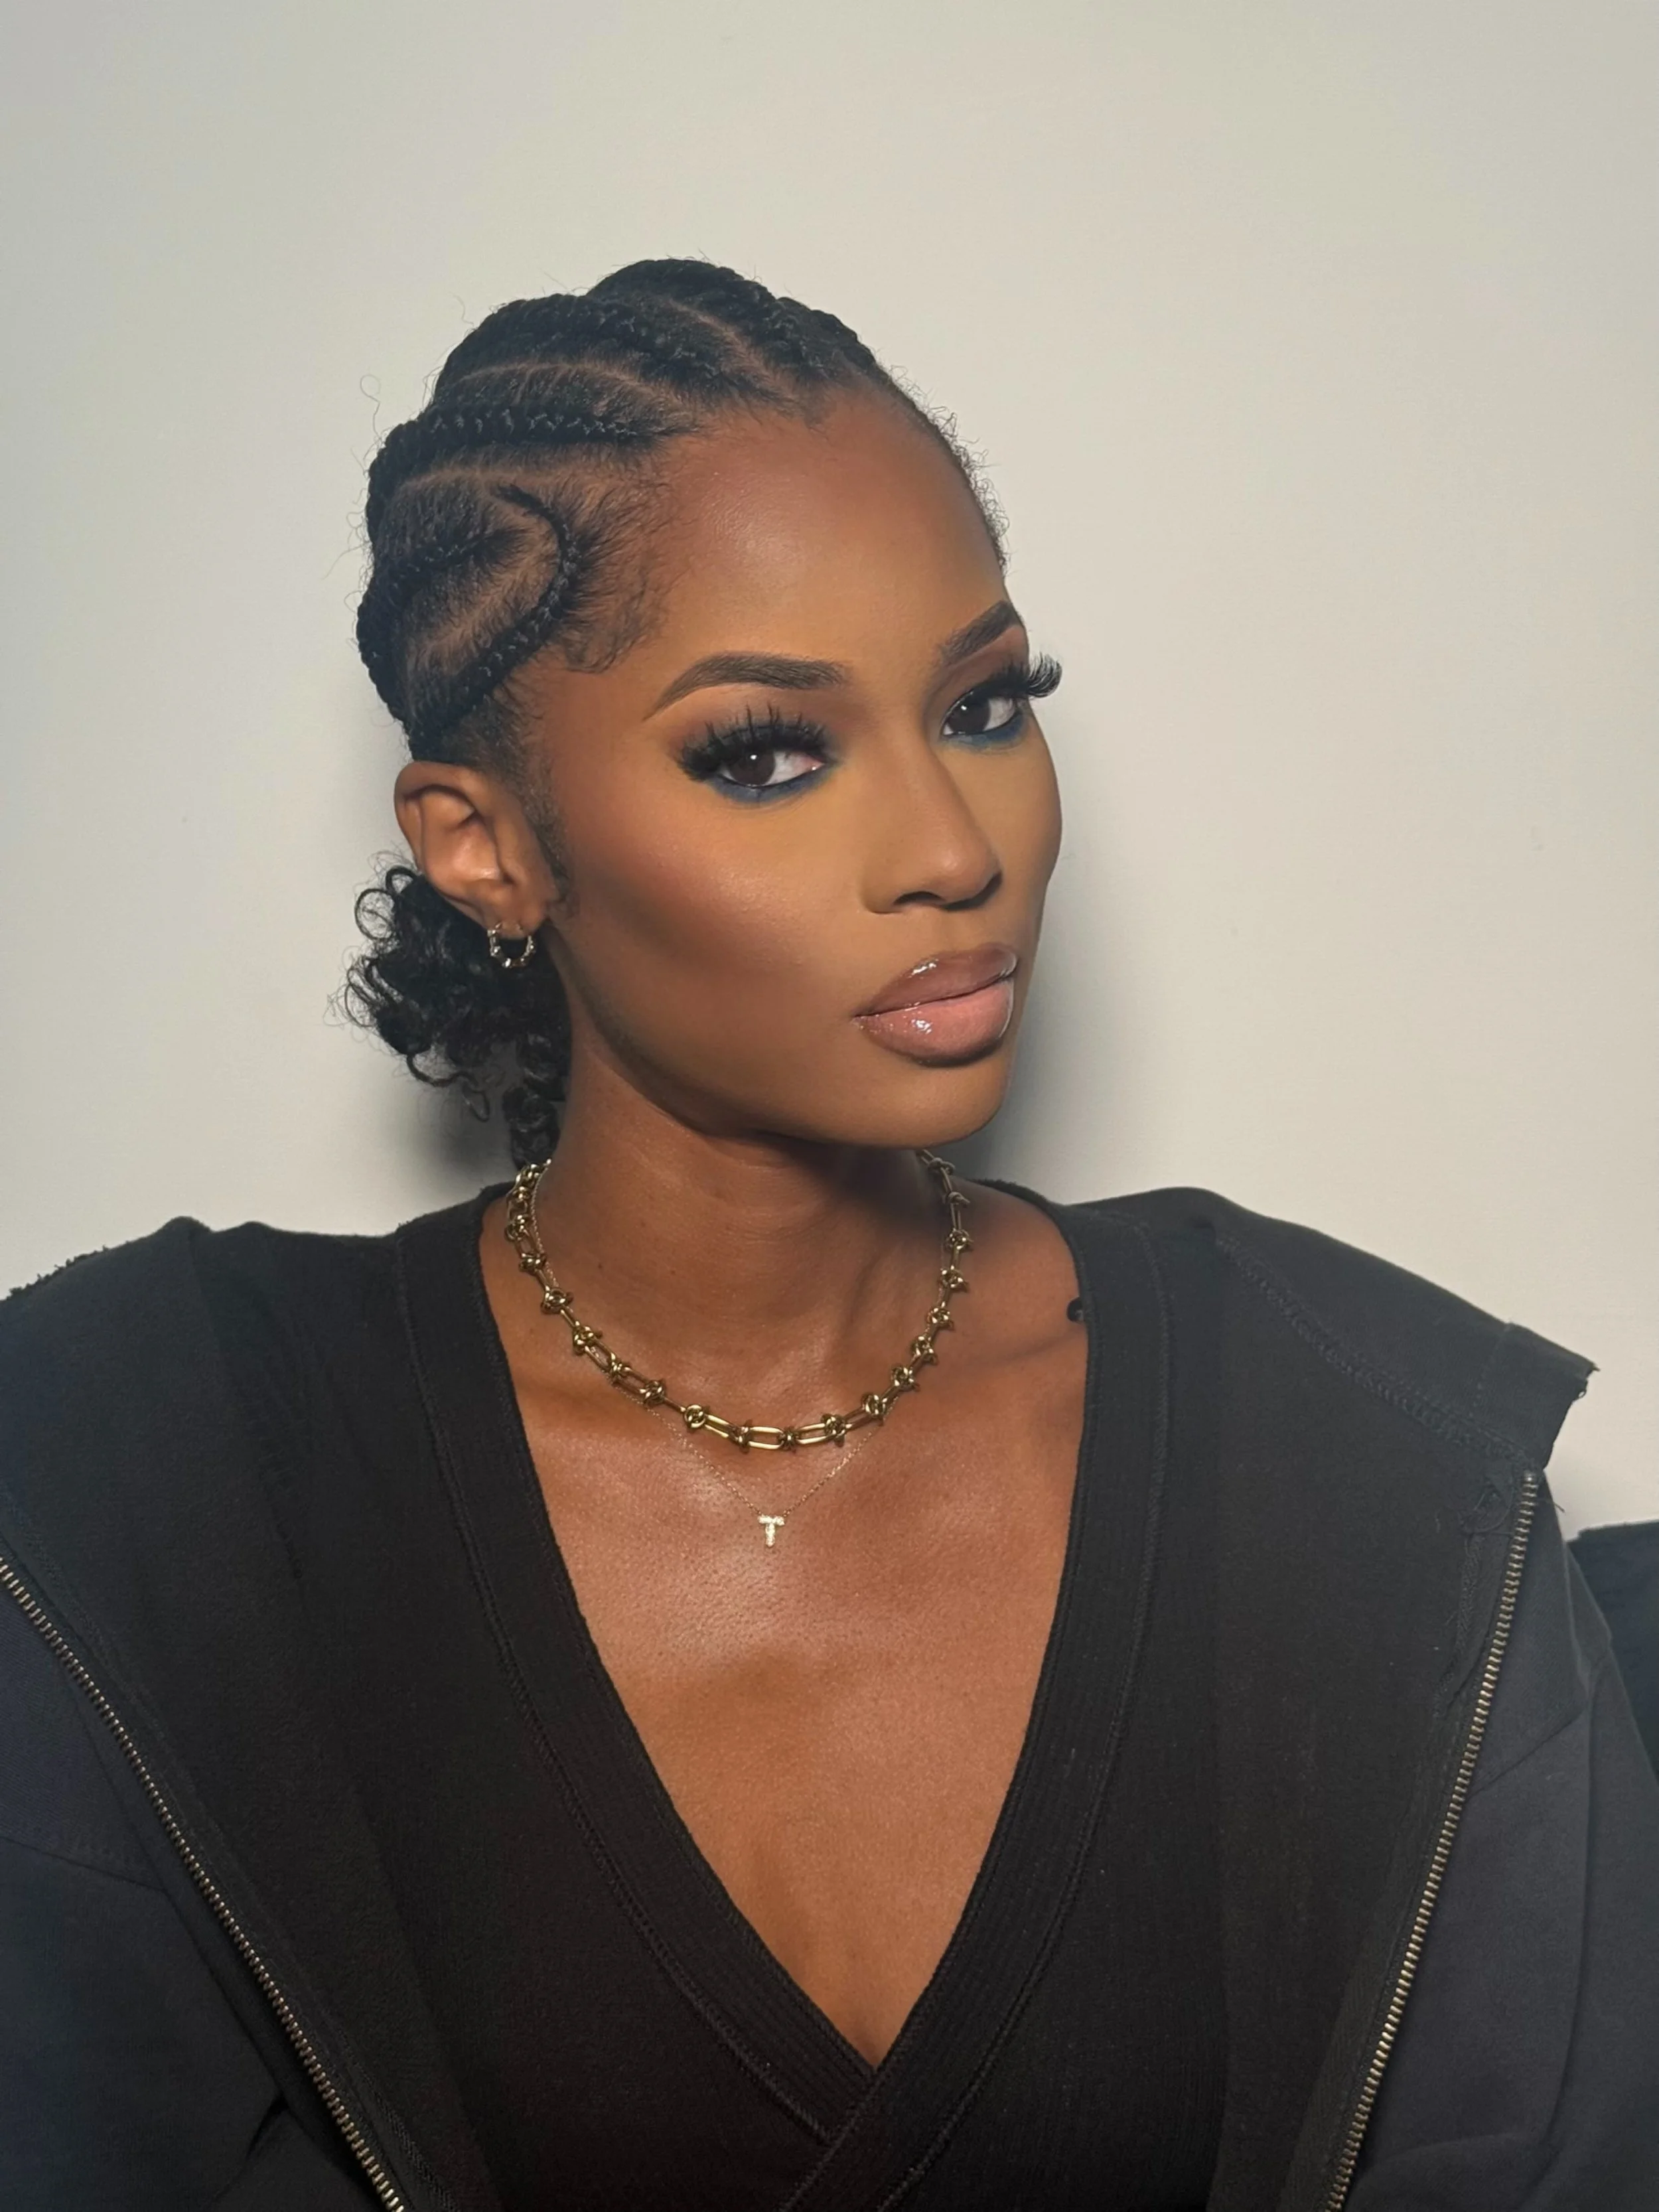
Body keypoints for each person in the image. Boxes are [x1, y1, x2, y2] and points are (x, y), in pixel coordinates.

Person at [1, 259, 1654, 2212]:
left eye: (982, 705)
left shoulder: (1359, 1450)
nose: (954, 848)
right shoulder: (148, 1477)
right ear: (486, 843)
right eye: (765, 751)